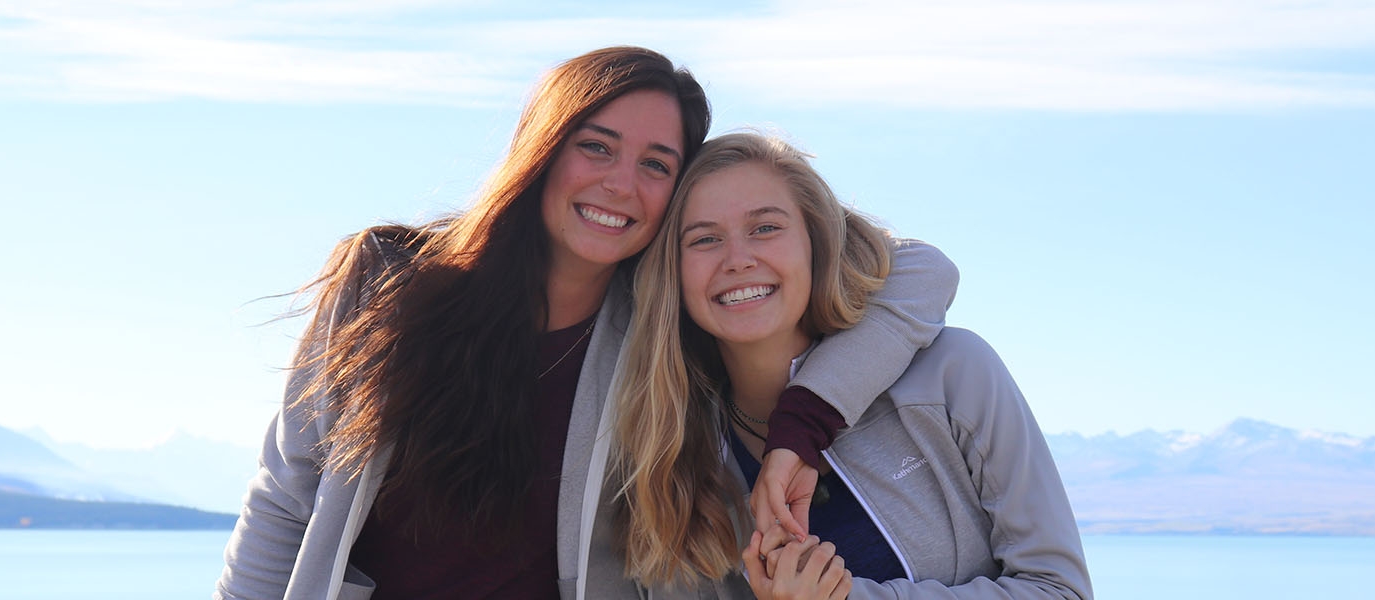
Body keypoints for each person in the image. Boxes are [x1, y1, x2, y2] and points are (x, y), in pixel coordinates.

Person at [216, 47, 958, 599]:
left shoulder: (665, 318)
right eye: (595, 147)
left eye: (657, 164)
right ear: (543, 150)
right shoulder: (385, 284)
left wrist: (806, 421)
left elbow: (923, 272)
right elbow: (286, 500)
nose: (619, 184)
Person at [614, 132, 1093, 599]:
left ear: (815, 243)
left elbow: (1059, 590)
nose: (738, 259)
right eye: (704, 239)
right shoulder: (670, 458)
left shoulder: (953, 374)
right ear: (672, 271)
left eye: (766, 228)